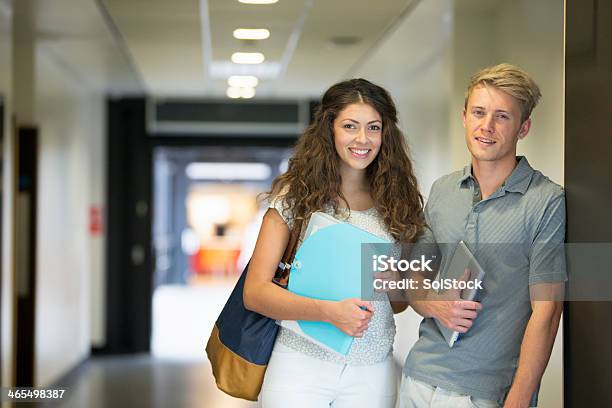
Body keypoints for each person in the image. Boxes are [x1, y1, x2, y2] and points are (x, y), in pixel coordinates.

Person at [243, 78, 424, 407]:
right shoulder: (294, 200)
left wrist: (394, 282)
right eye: (350, 126)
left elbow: (396, 304)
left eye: (373, 127)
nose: (362, 139)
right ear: (329, 129)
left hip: (373, 371)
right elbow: (254, 293)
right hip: (299, 367)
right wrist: (327, 312)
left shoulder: (399, 204)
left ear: (386, 134)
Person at [401, 63, 566, 408]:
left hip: (483, 393)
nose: (486, 126)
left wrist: (520, 398)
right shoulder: (443, 189)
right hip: (417, 379)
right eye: (479, 112)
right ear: (464, 116)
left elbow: (547, 311)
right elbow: (414, 274)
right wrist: (432, 304)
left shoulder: (546, 200)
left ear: (524, 127)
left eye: (502, 116)